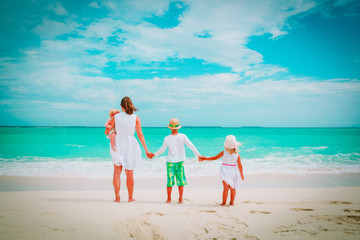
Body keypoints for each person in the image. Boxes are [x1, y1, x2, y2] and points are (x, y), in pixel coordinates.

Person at [105, 97, 152, 202]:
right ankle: (130, 198)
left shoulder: (116, 117)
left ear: (121, 106)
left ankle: (117, 198)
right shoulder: (136, 117)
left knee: (117, 171)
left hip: (118, 143)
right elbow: (140, 135)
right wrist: (146, 150)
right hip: (130, 144)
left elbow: (107, 132)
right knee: (129, 172)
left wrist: (108, 126)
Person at [149, 118, 201, 203]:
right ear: (178, 127)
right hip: (180, 162)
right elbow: (191, 146)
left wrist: (154, 155)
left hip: (170, 162)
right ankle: (180, 199)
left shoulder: (167, 138)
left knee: (170, 181)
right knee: (181, 180)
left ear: (170, 127)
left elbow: (162, 150)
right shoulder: (183, 136)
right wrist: (198, 155)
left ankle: (169, 199)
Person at [199, 135, 244, 206]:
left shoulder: (223, 153)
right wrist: (241, 174)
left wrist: (205, 158)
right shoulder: (237, 155)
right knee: (233, 188)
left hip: (225, 171)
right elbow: (240, 165)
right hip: (233, 171)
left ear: (226, 145)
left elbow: (214, 158)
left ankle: (223, 203)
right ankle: (232, 202)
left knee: (225, 188)